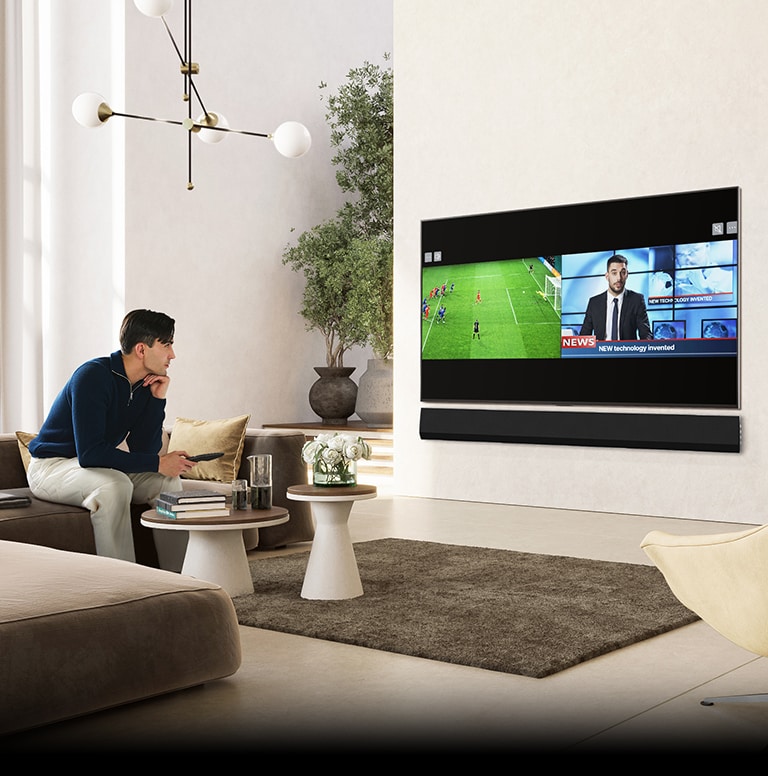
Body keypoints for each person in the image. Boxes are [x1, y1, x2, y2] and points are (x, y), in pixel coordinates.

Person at [26, 309, 197, 562]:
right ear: (142, 349)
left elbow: (145, 451)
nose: (172, 354)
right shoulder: (93, 376)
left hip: (95, 466)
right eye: (166, 345)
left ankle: (180, 575)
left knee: (166, 481)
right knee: (115, 485)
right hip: (51, 467)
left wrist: (157, 400)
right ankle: (123, 578)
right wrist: (158, 462)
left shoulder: (144, 385)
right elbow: (90, 454)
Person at [579, 255, 652, 341]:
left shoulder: (637, 300)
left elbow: (646, 334)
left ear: (627, 275)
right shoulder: (594, 303)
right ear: (607, 276)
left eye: (623, 272)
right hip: (601, 349)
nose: (619, 278)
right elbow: (583, 337)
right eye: (614, 273)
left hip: (627, 349)